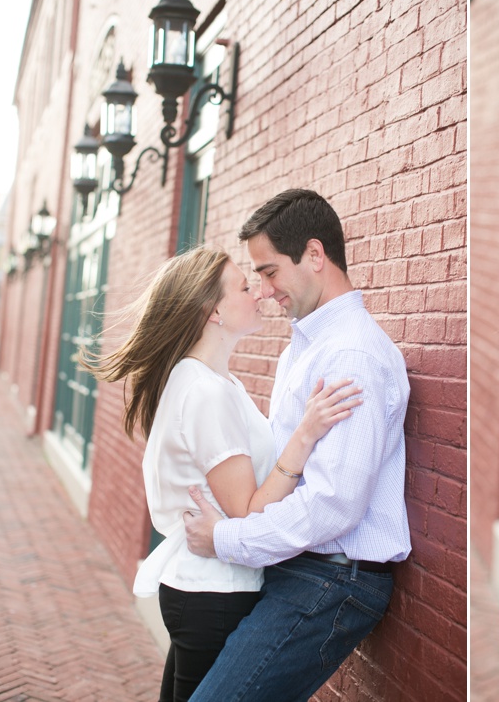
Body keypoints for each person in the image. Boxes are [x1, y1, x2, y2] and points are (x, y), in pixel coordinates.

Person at [81, 246, 361, 701]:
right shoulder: (205, 391)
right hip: (215, 593)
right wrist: (306, 434)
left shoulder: (210, 381)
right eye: (245, 287)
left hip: (204, 589)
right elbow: (247, 511)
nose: (260, 294)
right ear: (214, 311)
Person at [181, 188, 411, 700]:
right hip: (298, 567)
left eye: (268, 272)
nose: (262, 291)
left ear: (314, 254)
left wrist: (227, 540)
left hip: (332, 582)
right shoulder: (304, 348)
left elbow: (334, 505)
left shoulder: (351, 357)